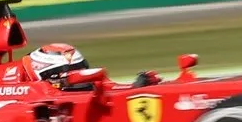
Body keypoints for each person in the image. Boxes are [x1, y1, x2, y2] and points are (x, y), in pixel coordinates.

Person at [25, 42, 160, 89]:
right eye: (69, 71)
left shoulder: (91, 86)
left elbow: (108, 87)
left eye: (79, 68)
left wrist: (136, 87)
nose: (78, 73)